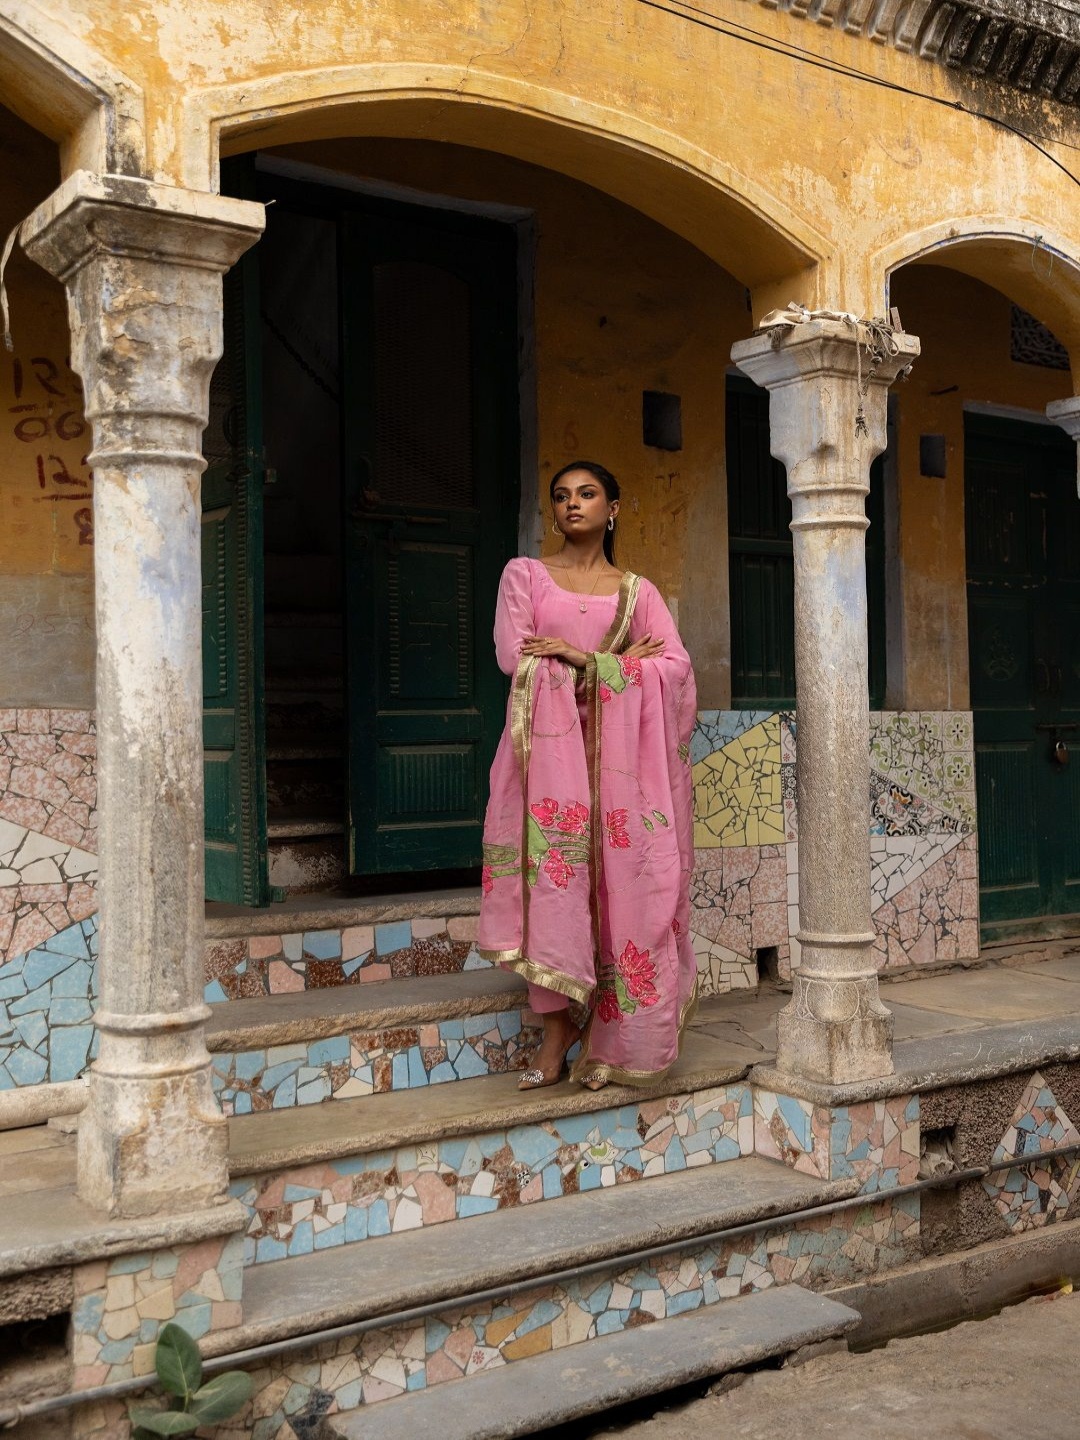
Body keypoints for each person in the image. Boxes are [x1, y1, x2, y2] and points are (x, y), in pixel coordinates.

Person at [477, 461, 699, 1091]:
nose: (572, 504)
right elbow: (513, 657)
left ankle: (615, 1040)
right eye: (561, 496)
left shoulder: (639, 592)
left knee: (623, 892)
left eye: (587, 493)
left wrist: (581, 658)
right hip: (545, 763)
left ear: (613, 507)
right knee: (553, 886)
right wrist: (619, 663)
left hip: (622, 770)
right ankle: (556, 1032)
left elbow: (676, 669)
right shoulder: (525, 576)